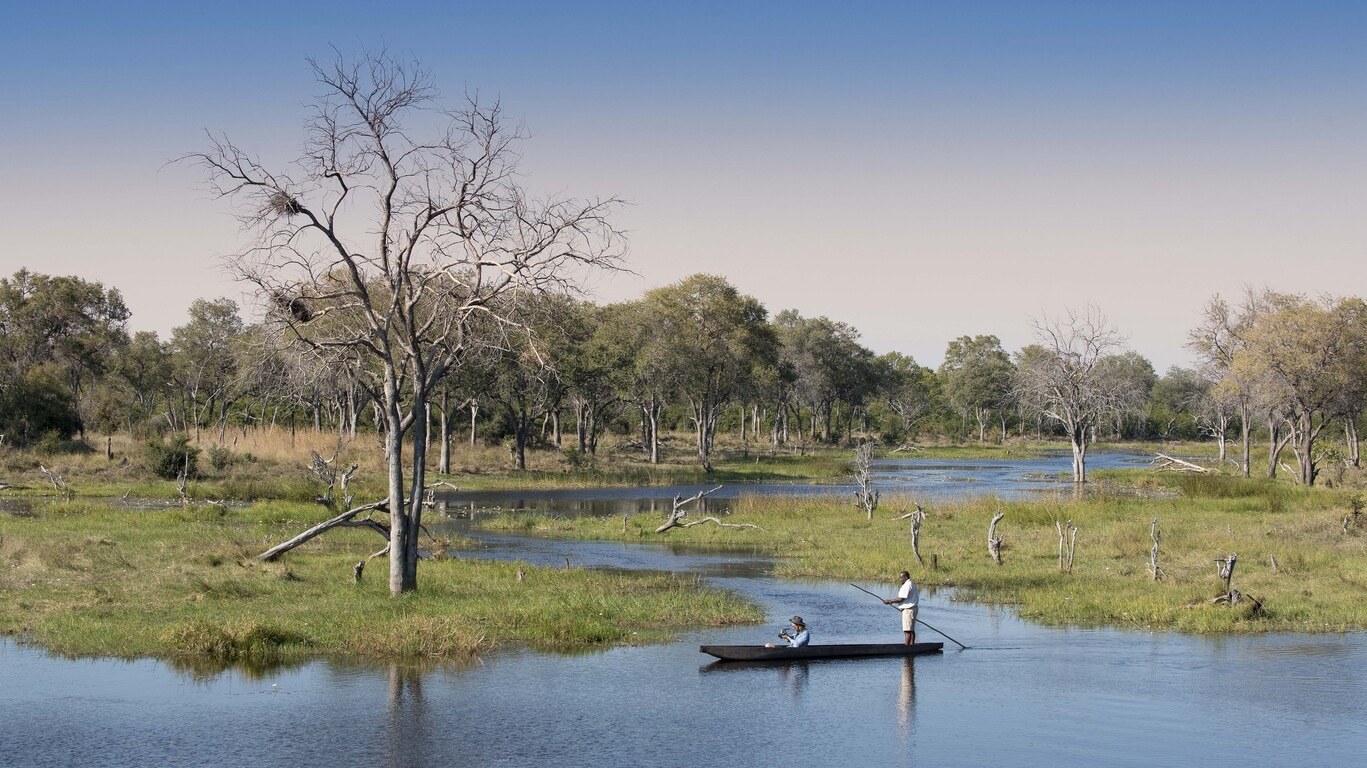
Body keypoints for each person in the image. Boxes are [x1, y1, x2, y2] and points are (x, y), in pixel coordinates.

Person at [883, 571, 919, 645]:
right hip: (912, 609)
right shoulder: (910, 584)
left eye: (901, 578)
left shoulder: (907, 585)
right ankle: (912, 647)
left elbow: (901, 599)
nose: (899, 579)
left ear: (905, 577)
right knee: (911, 630)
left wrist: (889, 601)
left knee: (907, 631)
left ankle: (907, 648)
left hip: (908, 610)